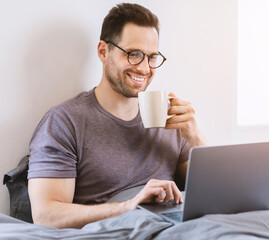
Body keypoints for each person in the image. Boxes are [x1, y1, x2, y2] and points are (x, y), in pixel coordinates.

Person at [27, 3, 206, 229]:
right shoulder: (64, 122)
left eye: (152, 57)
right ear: (103, 51)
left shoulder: (170, 118)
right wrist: (130, 207)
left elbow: (211, 196)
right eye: (134, 55)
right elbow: (46, 216)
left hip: (176, 229)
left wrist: (196, 138)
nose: (144, 68)